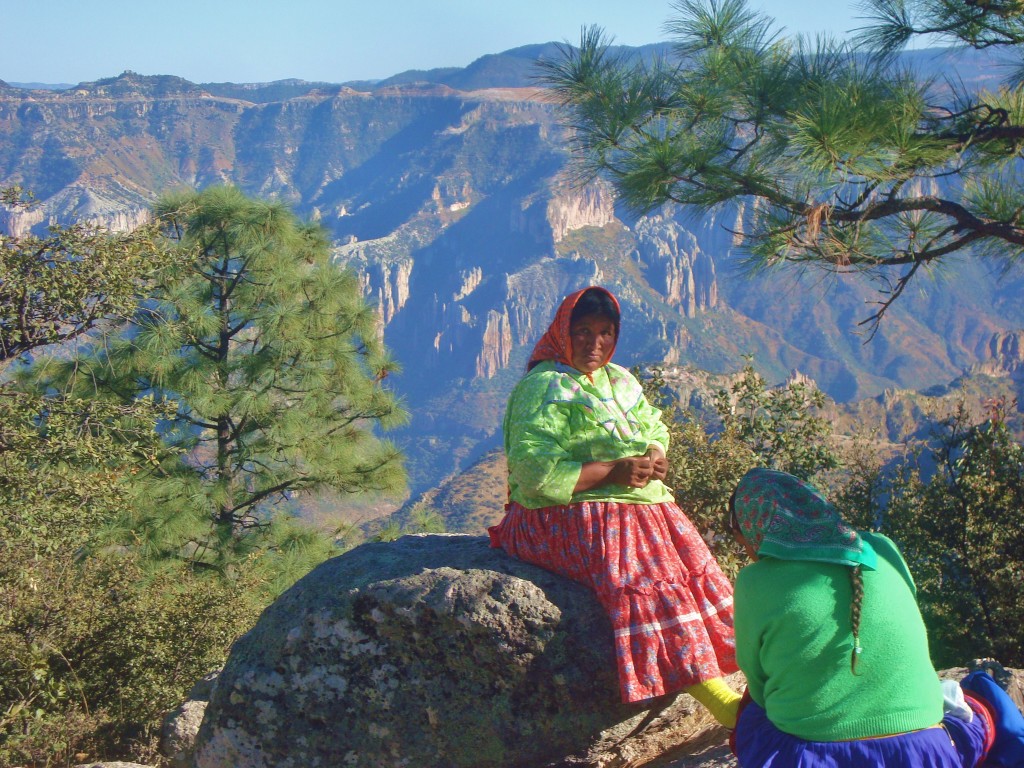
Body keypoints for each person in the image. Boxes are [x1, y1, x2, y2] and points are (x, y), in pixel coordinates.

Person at [488, 285, 741, 727]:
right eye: (583, 331)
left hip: (640, 505)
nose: (595, 343)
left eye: (606, 333)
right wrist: (612, 472)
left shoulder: (621, 380)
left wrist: (656, 453)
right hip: (559, 514)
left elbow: (653, 426)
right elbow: (534, 474)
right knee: (647, 580)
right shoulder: (544, 386)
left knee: (699, 570)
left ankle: (757, 680)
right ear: (564, 332)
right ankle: (725, 706)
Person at [728, 467, 1024, 767]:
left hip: (812, 757)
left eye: (741, 540)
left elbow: (758, 683)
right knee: (981, 704)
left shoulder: (754, 581)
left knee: (750, 711)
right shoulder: (881, 548)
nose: (748, 552)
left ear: (755, 528)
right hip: (927, 751)